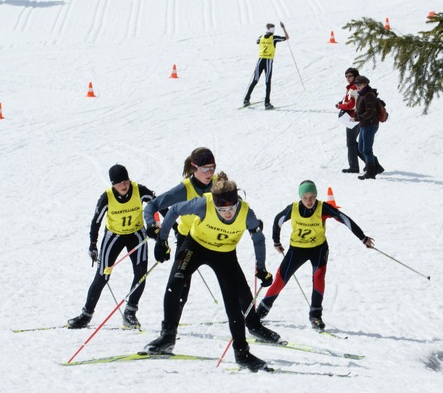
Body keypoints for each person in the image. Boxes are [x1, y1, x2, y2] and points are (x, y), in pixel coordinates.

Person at [144, 172, 281, 372]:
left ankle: (242, 353)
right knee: (175, 283)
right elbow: (173, 211)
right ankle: (167, 337)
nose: (227, 213)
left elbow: (258, 239)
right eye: (222, 209)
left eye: (231, 208)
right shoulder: (203, 204)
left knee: (232, 304)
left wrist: (261, 268)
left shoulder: (245, 212)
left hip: (224, 255)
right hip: (195, 247)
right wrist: (162, 240)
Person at [256, 180, 374, 330]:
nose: (309, 201)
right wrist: (276, 242)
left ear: (316, 195)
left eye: (312, 197)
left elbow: (344, 219)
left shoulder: (323, 207)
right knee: (281, 278)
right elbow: (277, 221)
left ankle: (315, 316)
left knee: (318, 278)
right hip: (296, 250)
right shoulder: (293, 209)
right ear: (300, 197)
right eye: (305, 197)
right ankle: (261, 311)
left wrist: (363, 238)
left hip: (318, 249)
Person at [67, 164, 156, 330]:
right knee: (102, 275)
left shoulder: (139, 190)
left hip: (136, 235)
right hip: (114, 237)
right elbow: (96, 221)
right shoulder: (106, 197)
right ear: (113, 184)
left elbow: (158, 204)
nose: (124, 185)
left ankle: (130, 313)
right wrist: (93, 244)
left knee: (141, 273)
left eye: (126, 181)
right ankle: (86, 314)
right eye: (120, 183)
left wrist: (165, 228)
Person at [144, 147, 217, 313]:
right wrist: (151, 225)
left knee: (231, 278)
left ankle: (249, 320)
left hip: (213, 238)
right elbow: (152, 205)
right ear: (194, 167)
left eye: (213, 167)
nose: (210, 173)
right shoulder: (185, 188)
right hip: (189, 240)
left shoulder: (218, 182)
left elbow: (234, 201)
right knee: (179, 283)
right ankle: (171, 324)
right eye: (205, 168)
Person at [242, 22, 290, 110]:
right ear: (272, 30)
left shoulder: (261, 37)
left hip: (260, 60)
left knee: (255, 80)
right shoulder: (274, 38)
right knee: (268, 82)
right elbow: (287, 38)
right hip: (268, 61)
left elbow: (257, 42)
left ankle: (246, 99)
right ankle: (267, 103)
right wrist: (283, 28)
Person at [353, 75, 385, 180]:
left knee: (366, 149)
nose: (358, 86)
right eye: (356, 84)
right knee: (361, 148)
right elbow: (360, 110)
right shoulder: (361, 94)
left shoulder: (369, 95)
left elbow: (370, 112)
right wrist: (356, 116)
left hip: (370, 125)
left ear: (365, 84)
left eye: (360, 84)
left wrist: (358, 118)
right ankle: (377, 167)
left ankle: (371, 172)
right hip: (364, 124)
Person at [336, 67, 363, 174]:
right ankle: (372, 163)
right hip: (358, 117)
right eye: (346, 76)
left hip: (353, 118)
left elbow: (351, 105)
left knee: (351, 143)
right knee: (353, 143)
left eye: (350, 76)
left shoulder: (353, 87)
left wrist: (340, 106)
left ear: (355, 76)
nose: (348, 78)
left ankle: (354, 167)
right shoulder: (355, 86)